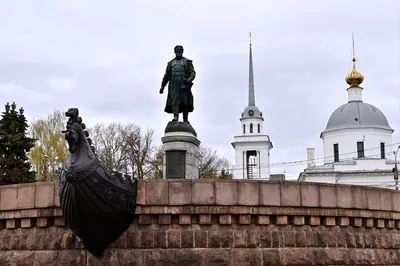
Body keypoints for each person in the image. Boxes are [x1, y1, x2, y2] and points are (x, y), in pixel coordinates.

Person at [159, 45, 196, 124]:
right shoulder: (170, 63)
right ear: (174, 51)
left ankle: (185, 119)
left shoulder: (187, 62)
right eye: (177, 50)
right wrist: (162, 86)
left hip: (184, 84)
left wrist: (189, 79)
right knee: (175, 100)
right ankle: (176, 117)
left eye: (180, 50)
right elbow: (166, 76)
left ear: (182, 51)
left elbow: (192, 72)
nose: (178, 51)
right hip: (174, 85)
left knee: (185, 101)